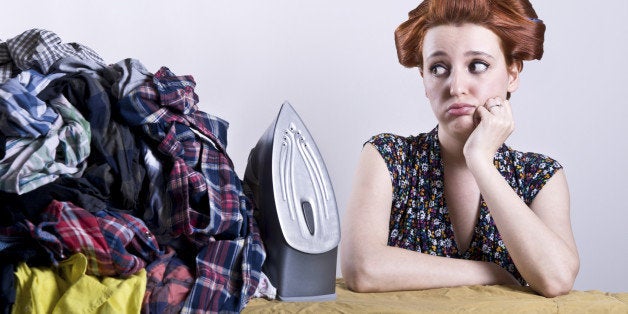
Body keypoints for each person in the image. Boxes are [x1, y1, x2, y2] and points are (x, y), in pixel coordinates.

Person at [340, 0, 579, 298]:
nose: (456, 86)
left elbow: (556, 279)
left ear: (513, 73)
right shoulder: (388, 158)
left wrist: (480, 161)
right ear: (425, 81)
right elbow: (361, 269)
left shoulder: (540, 176)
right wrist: (493, 272)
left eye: (477, 66)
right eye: (438, 68)